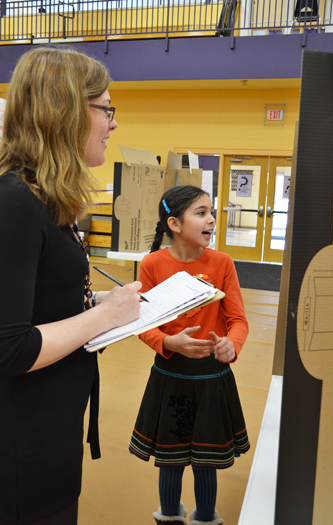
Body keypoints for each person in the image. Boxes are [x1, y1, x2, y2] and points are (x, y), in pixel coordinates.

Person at [0, 46, 142, 525]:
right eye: (106, 109)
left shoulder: (41, 201)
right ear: (66, 113)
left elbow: (42, 302)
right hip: (22, 450)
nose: (113, 123)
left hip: (51, 432)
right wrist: (104, 316)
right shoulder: (15, 203)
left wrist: (106, 301)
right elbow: (9, 347)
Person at [129, 185, 250, 525]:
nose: (211, 219)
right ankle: (168, 517)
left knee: (205, 460)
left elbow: (238, 320)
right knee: (170, 458)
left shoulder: (222, 263)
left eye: (211, 212)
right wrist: (169, 344)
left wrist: (231, 345)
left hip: (212, 378)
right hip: (170, 378)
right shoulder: (152, 264)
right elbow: (143, 324)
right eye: (201, 213)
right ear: (175, 224)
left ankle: (206, 518)